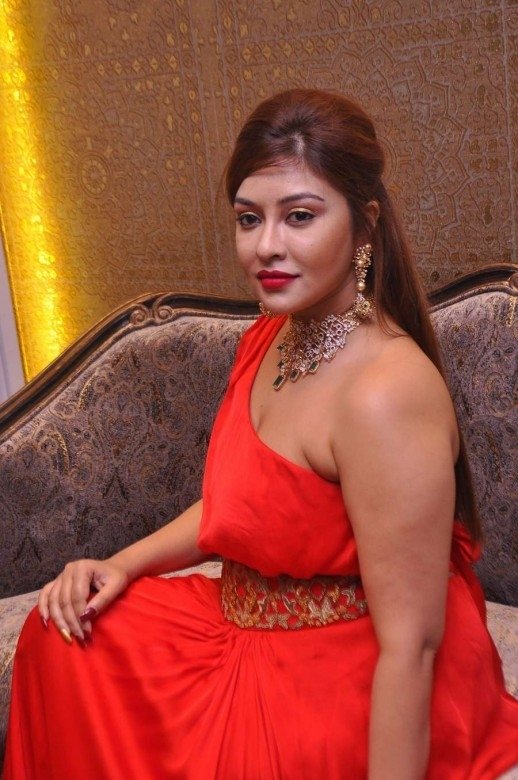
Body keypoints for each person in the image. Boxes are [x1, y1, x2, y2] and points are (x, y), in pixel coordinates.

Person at [3, 89, 518, 780]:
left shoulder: (385, 393)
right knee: (62, 638)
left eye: (299, 216)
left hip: (345, 671)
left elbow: (413, 647)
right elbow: (245, 503)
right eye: (249, 218)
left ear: (364, 225)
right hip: (242, 623)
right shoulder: (271, 338)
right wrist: (121, 564)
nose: (266, 246)